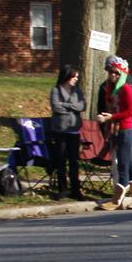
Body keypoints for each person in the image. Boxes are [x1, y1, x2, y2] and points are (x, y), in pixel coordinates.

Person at [96, 58, 132, 209]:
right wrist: (105, 118)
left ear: (122, 74)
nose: (112, 75)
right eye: (110, 72)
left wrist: (111, 117)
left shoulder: (126, 88)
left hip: (127, 130)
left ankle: (116, 200)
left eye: (115, 72)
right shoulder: (110, 89)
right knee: (131, 165)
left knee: (123, 165)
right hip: (115, 130)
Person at [48, 64, 86, 200]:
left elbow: (82, 106)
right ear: (67, 76)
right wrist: (72, 108)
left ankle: (76, 189)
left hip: (74, 131)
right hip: (61, 130)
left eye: (77, 77)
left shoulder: (77, 91)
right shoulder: (56, 91)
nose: (76, 79)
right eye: (74, 77)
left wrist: (66, 105)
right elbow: (56, 107)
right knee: (61, 160)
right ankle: (62, 188)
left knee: (74, 161)